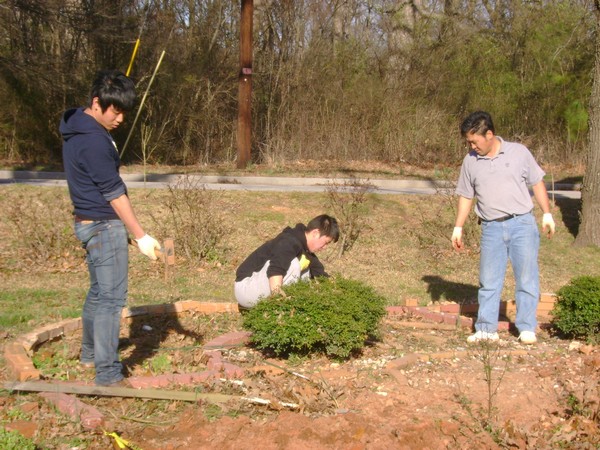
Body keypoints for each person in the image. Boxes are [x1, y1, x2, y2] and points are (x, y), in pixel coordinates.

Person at [60, 69, 161, 386]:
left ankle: (90, 354)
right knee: (111, 300)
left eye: (123, 112)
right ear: (96, 103)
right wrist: (141, 235)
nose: (120, 119)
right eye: (115, 111)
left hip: (86, 222)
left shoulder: (77, 127)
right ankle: (107, 374)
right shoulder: (93, 141)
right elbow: (114, 194)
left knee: (98, 292)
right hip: (104, 226)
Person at [451, 111, 555, 345]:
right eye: (468, 142)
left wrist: (547, 213)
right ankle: (486, 329)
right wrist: (458, 227)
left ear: (489, 134)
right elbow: (466, 195)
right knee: (488, 280)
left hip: (522, 224)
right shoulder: (470, 161)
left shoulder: (519, 152)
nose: (471, 146)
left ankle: (526, 328)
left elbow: (537, 182)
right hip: (491, 228)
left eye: (474, 141)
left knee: (526, 278)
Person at [235, 214, 340, 309]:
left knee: (306, 269)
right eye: (326, 242)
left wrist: (340, 292)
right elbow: (275, 271)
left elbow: (321, 276)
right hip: (246, 289)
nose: (325, 247)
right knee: (294, 264)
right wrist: (280, 305)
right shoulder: (288, 241)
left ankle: (295, 307)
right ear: (315, 233)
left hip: (258, 289)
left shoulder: (306, 250)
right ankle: (283, 308)